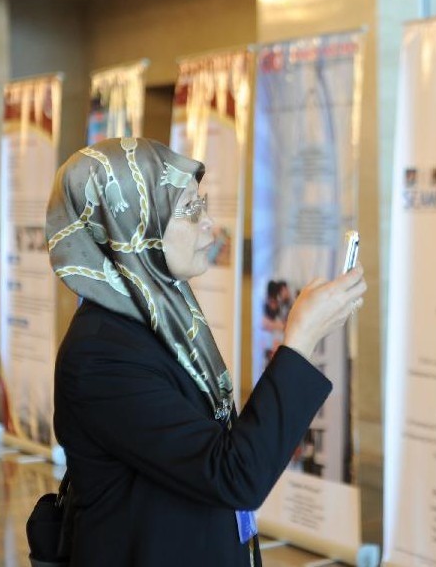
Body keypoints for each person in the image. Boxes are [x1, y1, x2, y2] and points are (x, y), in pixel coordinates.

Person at [46, 138, 366, 567]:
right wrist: (301, 341)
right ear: (133, 225)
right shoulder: (100, 354)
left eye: (202, 204)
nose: (209, 223)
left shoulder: (162, 319)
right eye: (189, 209)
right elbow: (233, 473)